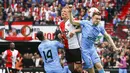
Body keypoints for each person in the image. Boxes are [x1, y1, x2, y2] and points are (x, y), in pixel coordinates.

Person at [68, 5, 119, 73]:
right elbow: (72, 22)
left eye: (99, 19)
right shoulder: (85, 23)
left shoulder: (100, 27)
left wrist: (115, 47)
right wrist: (70, 12)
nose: (98, 20)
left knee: (99, 66)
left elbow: (108, 36)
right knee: (91, 69)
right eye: (96, 18)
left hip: (92, 49)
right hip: (84, 51)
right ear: (92, 18)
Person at [58, 6, 82, 73]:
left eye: (65, 11)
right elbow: (65, 35)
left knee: (78, 69)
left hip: (75, 48)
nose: (62, 13)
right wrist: (61, 36)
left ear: (69, 14)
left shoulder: (73, 21)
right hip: (67, 49)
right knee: (71, 69)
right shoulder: (61, 24)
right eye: (62, 11)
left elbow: (81, 29)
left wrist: (74, 31)